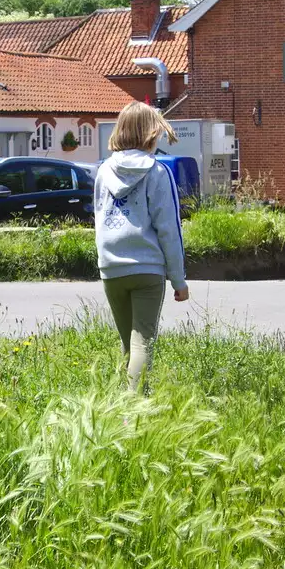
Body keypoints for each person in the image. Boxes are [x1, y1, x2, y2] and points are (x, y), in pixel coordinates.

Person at [94, 101, 189, 394]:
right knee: (143, 342)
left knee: (129, 344)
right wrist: (179, 280)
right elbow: (169, 229)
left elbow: (97, 218)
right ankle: (133, 410)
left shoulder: (102, 171)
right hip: (146, 267)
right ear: (150, 133)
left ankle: (128, 407)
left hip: (111, 267)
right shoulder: (158, 172)